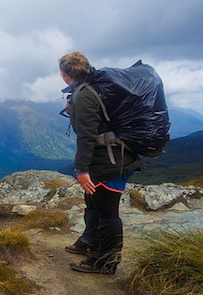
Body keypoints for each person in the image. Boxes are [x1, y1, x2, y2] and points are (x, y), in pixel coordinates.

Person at [59, 51, 143, 274]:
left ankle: (106, 262)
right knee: (93, 202)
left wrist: (81, 169)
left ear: (64, 74)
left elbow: (86, 136)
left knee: (107, 212)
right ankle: (91, 242)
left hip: (110, 162)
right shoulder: (90, 88)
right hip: (111, 156)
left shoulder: (84, 94)